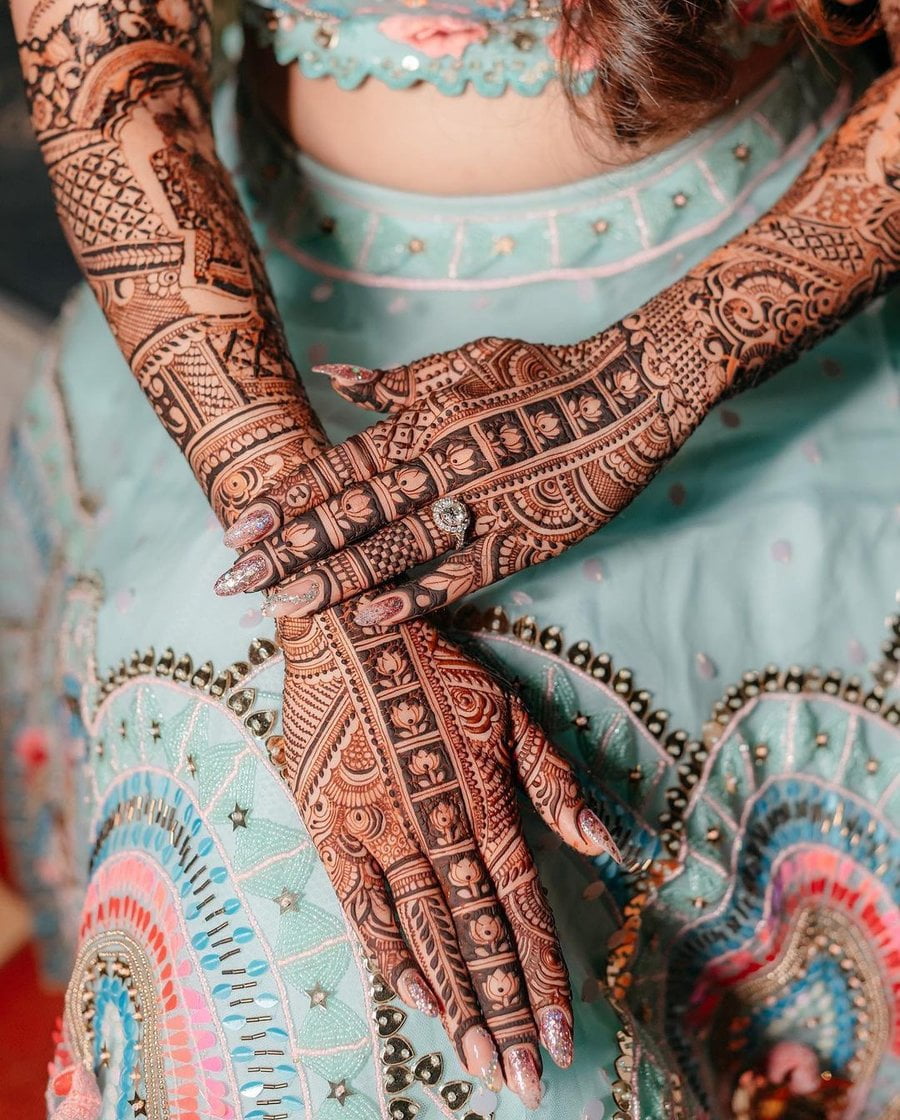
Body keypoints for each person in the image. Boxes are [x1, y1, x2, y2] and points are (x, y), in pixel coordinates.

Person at [2, 0, 898, 1113]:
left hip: (776, 284)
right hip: (260, 317)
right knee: (262, 740)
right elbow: (101, 56)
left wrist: (637, 386)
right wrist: (323, 581)